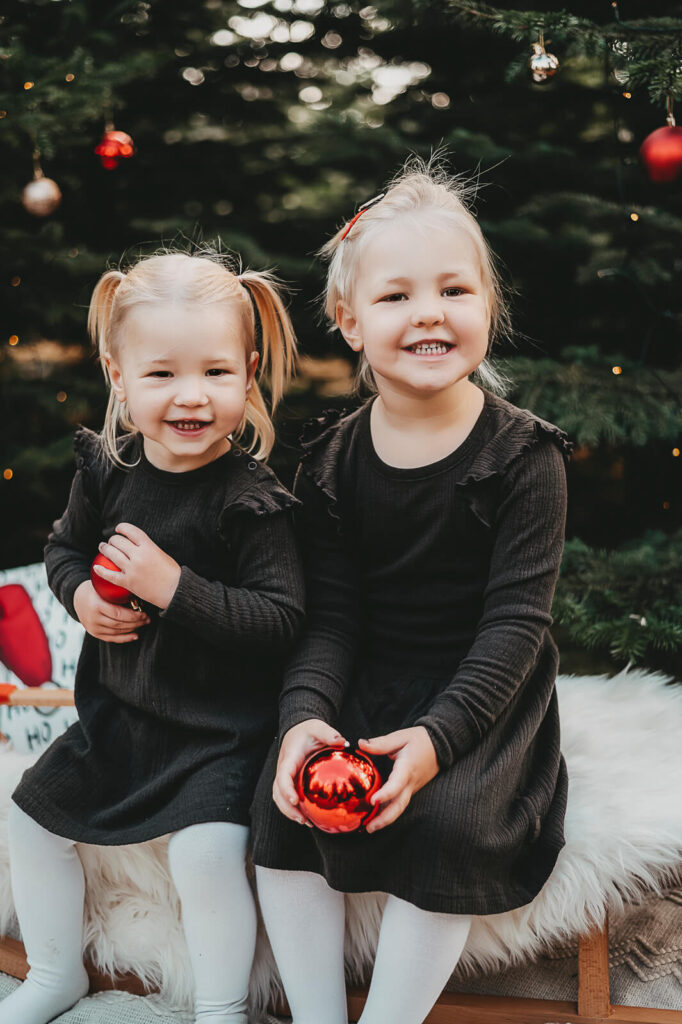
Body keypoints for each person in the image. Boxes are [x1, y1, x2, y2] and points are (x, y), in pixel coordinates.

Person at [250, 161, 573, 1024]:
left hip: (485, 688)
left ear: (487, 309)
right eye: (396, 297)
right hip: (373, 670)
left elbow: (515, 625)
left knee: (448, 824)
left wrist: (436, 742)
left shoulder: (525, 459)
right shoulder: (329, 462)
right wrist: (303, 720)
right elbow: (332, 618)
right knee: (283, 811)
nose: (430, 311)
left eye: (454, 290)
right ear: (349, 323)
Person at [1, 251, 305, 1024]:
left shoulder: (251, 500)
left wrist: (175, 589)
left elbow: (281, 620)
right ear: (118, 373)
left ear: (250, 370)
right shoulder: (109, 466)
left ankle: (222, 1007)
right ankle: (54, 971)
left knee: (204, 856)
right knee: (27, 817)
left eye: (215, 372)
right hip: (121, 720)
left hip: (221, 735)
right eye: (162, 375)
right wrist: (79, 601)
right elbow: (64, 550)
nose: (191, 397)